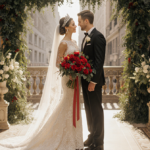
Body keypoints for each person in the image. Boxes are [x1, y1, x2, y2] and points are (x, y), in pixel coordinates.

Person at [0, 14, 84, 150]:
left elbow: (77, 59)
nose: (76, 26)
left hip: (77, 78)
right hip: (68, 78)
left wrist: (79, 68)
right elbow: (58, 63)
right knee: (67, 103)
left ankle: (74, 139)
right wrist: (70, 71)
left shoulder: (74, 43)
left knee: (75, 104)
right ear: (67, 27)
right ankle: (59, 135)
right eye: (73, 24)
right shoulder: (63, 44)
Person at [78, 10, 106, 150]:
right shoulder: (86, 38)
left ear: (86, 21)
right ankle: (91, 135)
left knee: (96, 110)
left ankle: (98, 143)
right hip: (85, 80)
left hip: (93, 82)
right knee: (89, 110)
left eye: (80, 21)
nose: (78, 24)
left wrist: (93, 82)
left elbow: (99, 62)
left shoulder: (98, 37)